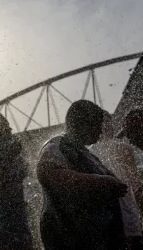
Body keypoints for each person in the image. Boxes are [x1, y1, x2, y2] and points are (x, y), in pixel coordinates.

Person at [37, 100, 128, 250]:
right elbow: (48, 173)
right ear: (82, 123)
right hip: (69, 238)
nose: (100, 130)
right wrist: (102, 182)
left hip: (94, 238)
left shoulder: (84, 152)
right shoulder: (58, 145)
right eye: (97, 123)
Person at [0, 113, 33, 250]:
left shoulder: (5, 154)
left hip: (14, 216)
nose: (10, 130)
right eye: (5, 128)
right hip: (3, 219)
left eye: (9, 127)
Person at [90, 111, 142, 248]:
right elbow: (136, 185)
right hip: (128, 216)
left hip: (104, 219)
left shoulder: (88, 153)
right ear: (109, 125)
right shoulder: (124, 148)